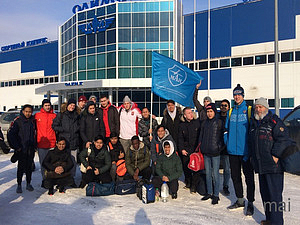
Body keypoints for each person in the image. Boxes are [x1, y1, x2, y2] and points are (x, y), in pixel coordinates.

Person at [249, 98, 294, 225]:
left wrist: (275, 154)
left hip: (274, 166)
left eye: (261, 107)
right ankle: (270, 220)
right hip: (261, 165)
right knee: (266, 195)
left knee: (275, 197)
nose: (258, 109)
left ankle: (277, 222)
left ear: (266, 108)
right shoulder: (254, 123)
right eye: (256, 107)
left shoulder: (274, 121)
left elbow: (284, 139)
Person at [224, 84, 255, 216]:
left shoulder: (248, 110)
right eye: (235, 94)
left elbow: (253, 131)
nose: (237, 97)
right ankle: (240, 200)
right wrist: (227, 143)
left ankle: (251, 203)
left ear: (243, 96)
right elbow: (226, 130)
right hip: (232, 152)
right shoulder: (231, 111)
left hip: (245, 152)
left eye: (239, 94)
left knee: (249, 178)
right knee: (235, 177)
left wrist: (250, 149)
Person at [199, 103, 224, 204]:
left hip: (215, 152)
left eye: (211, 111)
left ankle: (216, 194)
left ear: (214, 112)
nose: (209, 114)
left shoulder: (219, 122)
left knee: (215, 175)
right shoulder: (204, 123)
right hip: (206, 152)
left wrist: (219, 147)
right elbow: (201, 136)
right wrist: (201, 146)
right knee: (208, 174)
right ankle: (209, 192)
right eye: (208, 112)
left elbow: (223, 137)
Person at [8, 104, 36, 193]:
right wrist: (17, 147)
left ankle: (28, 183)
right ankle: (19, 184)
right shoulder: (18, 121)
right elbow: (11, 135)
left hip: (30, 148)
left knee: (29, 167)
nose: (28, 113)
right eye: (26, 111)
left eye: (30, 112)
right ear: (23, 111)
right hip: (21, 149)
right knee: (20, 167)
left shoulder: (33, 121)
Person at [52, 99, 81, 186]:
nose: (72, 107)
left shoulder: (77, 115)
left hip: (74, 142)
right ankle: (62, 180)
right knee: (63, 162)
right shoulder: (61, 115)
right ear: (67, 105)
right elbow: (54, 126)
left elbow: (80, 127)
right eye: (70, 105)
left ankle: (71, 179)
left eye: (73, 105)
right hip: (64, 143)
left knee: (73, 162)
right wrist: (63, 130)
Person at [178, 107, 201, 193]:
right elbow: (180, 139)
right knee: (186, 167)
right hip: (186, 149)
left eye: (191, 112)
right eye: (188, 113)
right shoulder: (182, 125)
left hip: (196, 150)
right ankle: (188, 182)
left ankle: (194, 186)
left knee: (196, 169)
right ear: (184, 115)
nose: (191, 114)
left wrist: (198, 149)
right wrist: (182, 149)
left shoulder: (197, 123)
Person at [34, 99, 57, 185]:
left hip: (52, 143)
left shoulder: (54, 116)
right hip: (41, 144)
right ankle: (45, 179)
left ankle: (52, 179)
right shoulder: (37, 116)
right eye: (46, 105)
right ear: (42, 106)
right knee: (43, 163)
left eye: (49, 105)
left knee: (52, 163)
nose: (47, 107)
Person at [218, 99, 231, 196]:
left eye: (225, 105)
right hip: (217, 146)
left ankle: (225, 186)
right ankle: (214, 187)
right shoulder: (216, 117)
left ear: (228, 107)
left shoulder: (230, 117)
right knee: (215, 169)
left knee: (227, 169)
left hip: (226, 147)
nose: (223, 107)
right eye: (221, 105)